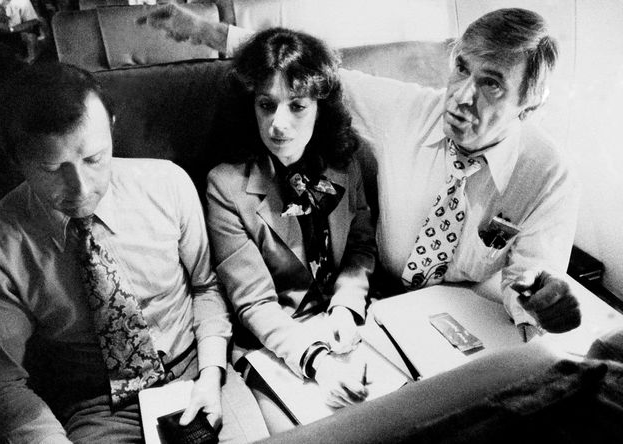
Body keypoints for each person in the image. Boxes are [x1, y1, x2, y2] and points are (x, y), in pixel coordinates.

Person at [147, 6, 582, 339]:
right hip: (383, 295)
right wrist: (210, 32)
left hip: (473, 305)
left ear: (530, 103)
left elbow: (528, 281)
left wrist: (541, 300)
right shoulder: (409, 109)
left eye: (491, 84)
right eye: (461, 68)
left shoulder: (549, 175)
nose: (461, 98)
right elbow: (318, 75)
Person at [0, 63, 268, 443]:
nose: (79, 188)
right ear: (16, 160)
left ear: (111, 126)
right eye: (52, 169)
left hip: (197, 373)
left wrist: (212, 372)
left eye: (94, 159)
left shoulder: (168, 184)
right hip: (97, 404)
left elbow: (205, 288)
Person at [205, 28, 377, 429]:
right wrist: (316, 362)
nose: (278, 124)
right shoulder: (225, 186)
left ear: (321, 106)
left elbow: (361, 248)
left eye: (297, 106)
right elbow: (254, 303)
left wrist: (346, 307)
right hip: (277, 342)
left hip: (344, 326)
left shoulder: (345, 161)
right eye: (267, 105)